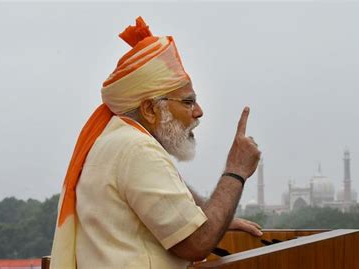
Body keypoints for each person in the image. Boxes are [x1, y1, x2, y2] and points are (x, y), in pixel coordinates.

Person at [50, 16, 262, 269]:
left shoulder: (114, 140)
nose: (199, 112)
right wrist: (235, 170)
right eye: (187, 102)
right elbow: (196, 243)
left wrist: (213, 215)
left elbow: (170, 198)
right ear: (150, 109)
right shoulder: (137, 149)